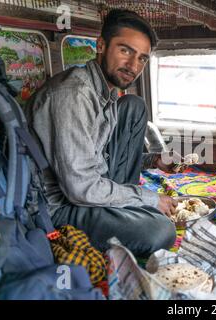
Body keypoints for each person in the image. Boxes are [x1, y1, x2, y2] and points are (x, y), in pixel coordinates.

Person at [23, 9, 177, 256]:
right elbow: (80, 188)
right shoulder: (73, 95)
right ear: (102, 46)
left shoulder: (106, 93)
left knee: (134, 106)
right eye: (125, 50)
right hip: (62, 206)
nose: (133, 65)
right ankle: (130, 212)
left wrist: (153, 161)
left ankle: (126, 208)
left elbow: (100, 155)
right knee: (161, 231)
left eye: (142, 58)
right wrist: (148, 199)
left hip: (91, 186)